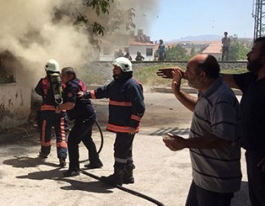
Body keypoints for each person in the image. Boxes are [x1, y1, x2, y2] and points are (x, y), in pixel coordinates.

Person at [157, 54, 241, 206]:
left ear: (202, 75)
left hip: (216, 181)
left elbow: (222, 138)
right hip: (203, 178)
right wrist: (177, 88)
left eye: (188, 70)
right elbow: (200, 110)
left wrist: (185, 143)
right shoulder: (209, 90)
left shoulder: (222, 98)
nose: (185, 73)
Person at [78, 57, 145, 186]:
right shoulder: (117, 83)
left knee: (120, 149)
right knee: (126, 150)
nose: (113, 70)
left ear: (124, 69)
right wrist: (86, 94)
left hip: (127, 125)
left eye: (116, 68)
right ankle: (127, 175)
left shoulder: (131, 85)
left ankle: (118, 177)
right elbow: (103, 91)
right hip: (122, 125)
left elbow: (139, 107)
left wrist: (133, 124)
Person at [217, 37, 265, 206]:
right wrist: (190, 74)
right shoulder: (252, 79)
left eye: (253, 51)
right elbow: (222, 78)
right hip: (253, 154)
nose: (248, 54)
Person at [58, 67, 103, 177]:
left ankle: (74, 169)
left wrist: (59, 108)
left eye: (63, 75)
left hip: (84, 117)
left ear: (70, 76)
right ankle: (95, 161)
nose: (61, 78)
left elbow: (70, 104)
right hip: (87, 115)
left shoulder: (72, 86)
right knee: (87, 138)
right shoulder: (77, 82)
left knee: (73, 141)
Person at [34, 59, 68, 167]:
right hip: (60, 111)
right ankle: (62, 156)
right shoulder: (63, 81)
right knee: (61, 133)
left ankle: (44, 152)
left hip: (46, 112)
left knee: (45, 132)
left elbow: (37, 91)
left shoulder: (43, 81)